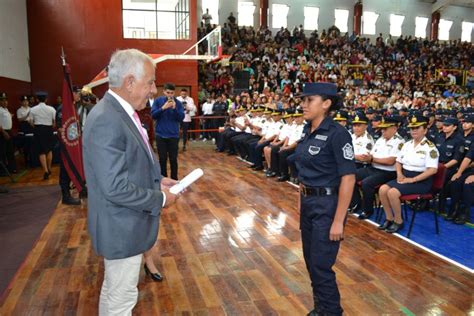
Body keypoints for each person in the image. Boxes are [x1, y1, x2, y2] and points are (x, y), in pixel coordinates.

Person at [82, 49, 178, 315]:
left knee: (118, 293)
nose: (154, 89)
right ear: (129, 82)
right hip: (121, 225)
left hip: (127, 222)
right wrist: (159, 199)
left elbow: (129, 166)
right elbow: (114, 186)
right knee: (120, 299)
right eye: (150, 82)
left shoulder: (118, 113)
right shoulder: (106, 119)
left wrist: (156, 181)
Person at [294, 83, 356, 316]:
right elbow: (303, 169)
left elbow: (348, 178)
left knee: (321, 265)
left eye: (309, 100)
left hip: (328, 207)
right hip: (309, 203)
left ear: (327, 103)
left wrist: (339, 220)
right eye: (303, 100)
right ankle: (322, 308)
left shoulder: (338, 134)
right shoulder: (307, 129)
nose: (303, 105)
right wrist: (301, 199)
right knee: (311, 262)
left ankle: (331, 312)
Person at [378, 114, 439, 234]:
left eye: (417, 128)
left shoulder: (430, 148)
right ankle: (389, 218)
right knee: (382, 189)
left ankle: (398, 221)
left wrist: (413, 179)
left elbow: (432, 170)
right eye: (412, 128)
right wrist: (399, 174)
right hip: (405, 176)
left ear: (425, 130)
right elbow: (398, 162)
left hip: (421, 181)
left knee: (392, 192)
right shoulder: (407, 144)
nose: (414, 130)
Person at [351, 115, 405, 219]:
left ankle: (367, 210)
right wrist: (368, 157)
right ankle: (357, 203)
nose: (383, 131)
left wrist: (371, 159)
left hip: (388, 172)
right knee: (350, 176)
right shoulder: (381, 139)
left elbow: (391, 161)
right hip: (374, 168)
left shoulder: (399, 141)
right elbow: (371, 154)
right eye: (382, 129)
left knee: (367, 183)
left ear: (394, 128)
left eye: (385, 129)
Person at [151, 83, 185, 180]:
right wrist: (163, 108)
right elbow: (153, 115)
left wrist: (174, 109)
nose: (170, 95)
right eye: (168, 92)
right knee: (162, 159)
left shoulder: (178, 103)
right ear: (164, 92)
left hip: (173, 135)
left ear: (174, 93)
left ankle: (174, 180)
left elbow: (181, 118)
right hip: (160, 135)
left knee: (173, 159)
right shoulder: (158, 101)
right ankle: (163, 180)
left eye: (172, 93)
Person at [30, 91, 56, 180]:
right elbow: (55, 121)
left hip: (38, 129)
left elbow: (30, 121)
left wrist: (36, 127)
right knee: (49, 150)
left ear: (37, 99)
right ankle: (49, 168)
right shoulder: (51, 109)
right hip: (49, 129)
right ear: (46, 99)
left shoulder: (32, 109)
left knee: (41, 151)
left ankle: (45, 170)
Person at [0, 92, 17, 175]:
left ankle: (12, 168)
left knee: (10, 151)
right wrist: (3, 132)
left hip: (9, 131)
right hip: (3, 132)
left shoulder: (6, 109)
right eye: (2, 100)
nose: (5, 102)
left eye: (6, 100)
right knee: (2, 152)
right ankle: (3, 171)